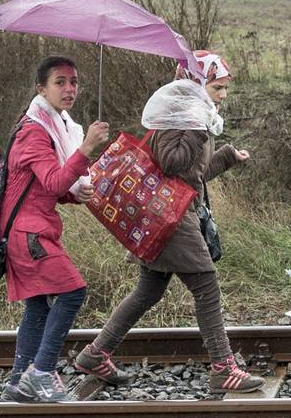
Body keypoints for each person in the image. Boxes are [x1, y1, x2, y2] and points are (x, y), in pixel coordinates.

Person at [73, 50, 264, 395]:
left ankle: (95, 354)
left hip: (171, 213)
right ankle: (224, 368)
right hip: (171, 219)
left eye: (224, 89)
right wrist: (200, 132)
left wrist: (227, 157)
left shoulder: (192, 116)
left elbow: (192, 175)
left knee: (148, 290)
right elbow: (171, 162)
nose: (222, 96)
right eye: (217, 88)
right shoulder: (181, 118)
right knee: (206, 287)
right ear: (196, 83)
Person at [2, 56, 111, 403]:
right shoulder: (34, 131)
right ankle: (42, 371)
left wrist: (75, 193)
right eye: (60, 82)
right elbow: (50, 181)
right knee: (73, 291)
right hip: (28, 234)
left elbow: (48, 186)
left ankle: (19, 381)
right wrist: (86, 149)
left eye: (74, 82)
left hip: (32, 228)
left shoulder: (52, 126)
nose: (69, 89)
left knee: (37, 307)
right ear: (41, 89)